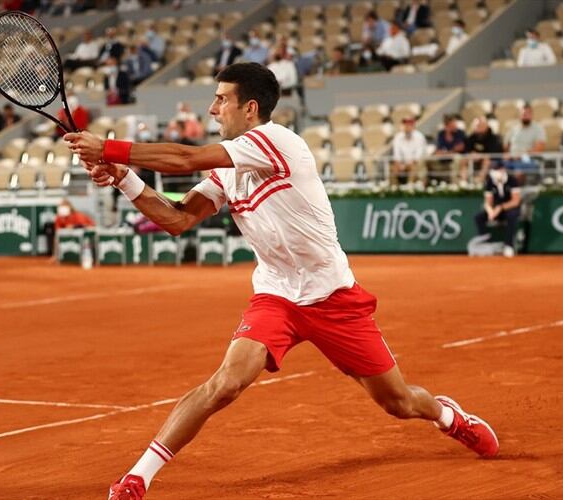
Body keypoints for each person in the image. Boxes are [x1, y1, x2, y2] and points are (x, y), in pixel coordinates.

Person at [64, 62, 499, 500]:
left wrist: (110, 149)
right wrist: (125, 179)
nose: (213, 108)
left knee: (399, 403)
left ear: (249, 108)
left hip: (333, 297)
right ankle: (138, 478)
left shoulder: (277, 142)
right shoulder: (227, 171)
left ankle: (448, 418)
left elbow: (185, 158)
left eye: (222, 99)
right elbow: (176, 219)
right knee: (225, 384)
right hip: (275, 297)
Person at [473, 162, 520, 257]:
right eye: (493, 170)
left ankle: (508, 246)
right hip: (496, 210)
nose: (494, 172)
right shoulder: (489, 181)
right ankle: (487, 243)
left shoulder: (512, 180)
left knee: (512, 216)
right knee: (479, 218)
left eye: (496, 170)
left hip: (510, 208)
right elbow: (488, 201)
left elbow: (516, 201)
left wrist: (501, 207)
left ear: (502, 170)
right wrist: (490, 211)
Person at [504, 105, 546, 176]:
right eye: (523, 114)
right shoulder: (513, 129)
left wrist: (520, 156)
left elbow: (539, 148)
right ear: (519, 115)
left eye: (527, 114)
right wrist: (508, 155)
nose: (525, 116)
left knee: (518, 172)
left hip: (528, 158)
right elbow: (506, 146)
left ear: (531, 115)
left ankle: (515, 186)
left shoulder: (538, 129)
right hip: (511, 159)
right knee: (497, 169)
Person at [463, 117, 503, 182]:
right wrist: (472, 153)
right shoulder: (472, 137)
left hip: (490, 160)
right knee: (464, 160)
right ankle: (463, 181)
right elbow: (467, 149)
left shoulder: (493, 138)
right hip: (474, 159)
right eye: (477, 126)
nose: (478, 128)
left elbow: (493, 152)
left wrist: (481, 156)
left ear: (486, 126)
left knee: (486, 160)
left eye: (480, 126)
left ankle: (479, 181)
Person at [390, 116, 427, 185]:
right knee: (393, 168)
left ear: (413, 126)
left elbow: (417, 157)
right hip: (403, 164)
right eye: (405, 124)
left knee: (414, 168)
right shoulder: (398, 137)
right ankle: (393, 190)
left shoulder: (419, 137)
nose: (407, 126)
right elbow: (396, 155)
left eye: (409, 124)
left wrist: (406, 165)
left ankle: (409, 189)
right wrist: (399, 164)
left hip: (416, 163)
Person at [433, 114, 465, 182]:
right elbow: (438, 151)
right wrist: (450, 152)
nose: (456, 125)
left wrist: (447, 152)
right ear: (448, 125)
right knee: (425, 159)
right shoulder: (441, 134)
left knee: (457, 158)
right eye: (454, 123)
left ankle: (454, 183)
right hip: (444, 158)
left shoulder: (460, 133)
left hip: (457, 158)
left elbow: (460, 148)